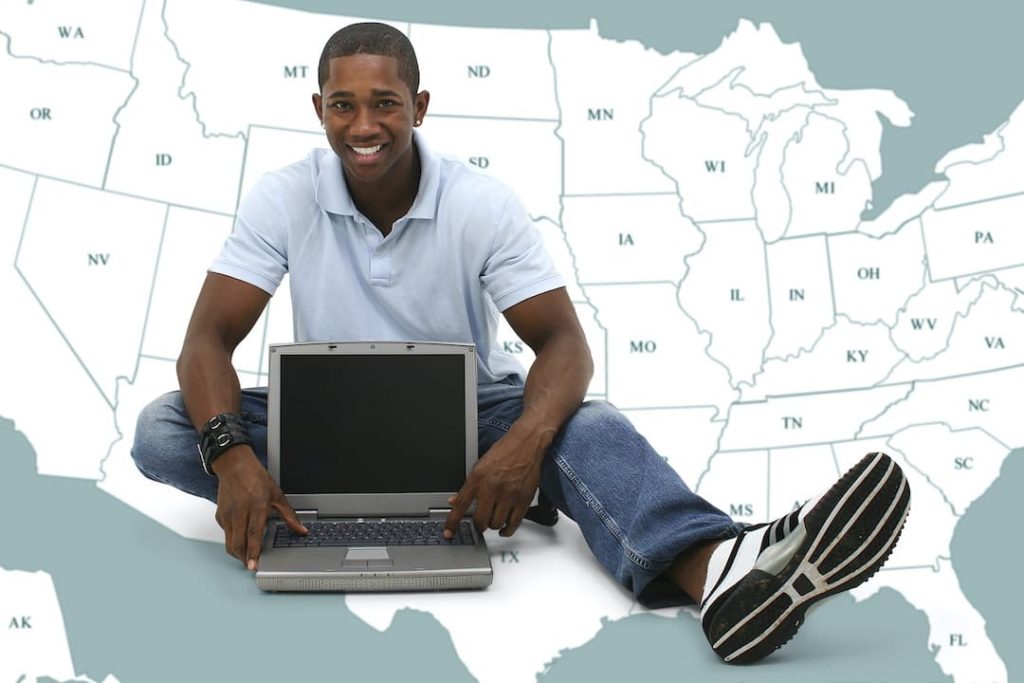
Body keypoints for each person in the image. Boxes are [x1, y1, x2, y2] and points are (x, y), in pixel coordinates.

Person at [131, 22, 910, 664]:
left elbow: (564, 343)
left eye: (385, 104)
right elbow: (207, 339)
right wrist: (233, 456)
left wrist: (526, 442)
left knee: (587, 424)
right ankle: (337, 498)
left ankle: (721, 572)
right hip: (326, 428)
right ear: (318, 108)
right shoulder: (283, 195)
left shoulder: (480, 204)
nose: (363, 126)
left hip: (470, 423)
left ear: (420, 105)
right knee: (168, 428)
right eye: (343, 105)